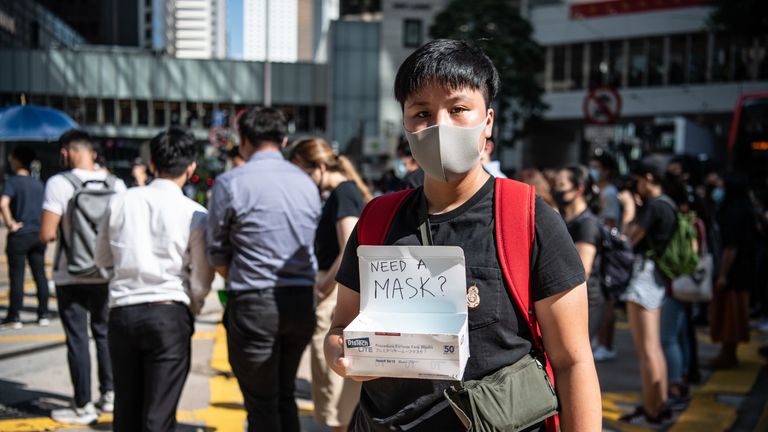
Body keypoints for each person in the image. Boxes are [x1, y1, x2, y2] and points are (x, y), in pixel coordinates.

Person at [324, 39, 601, 432]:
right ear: (404, 123)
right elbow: (340, 329)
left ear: (487, 121)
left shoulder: (529, 219)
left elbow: (573, 361)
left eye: (457, 109)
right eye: (422, 112)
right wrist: (340, 355)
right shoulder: (378, 219)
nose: (439, 126)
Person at [206, 107, 321, 432]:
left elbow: (216, 248)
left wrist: (233, 273)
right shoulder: (306, 183)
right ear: (284, 139)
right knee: (285, 395)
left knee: (261, 402)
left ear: (242, 139)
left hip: (254, 302)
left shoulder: (230, 183)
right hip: (300, 302)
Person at [94, 127, 213, 431]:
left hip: (122, 311)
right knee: (158, 416)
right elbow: (200, 278)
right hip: (169, 312)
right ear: (191, 168)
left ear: (151, 164)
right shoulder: (195, 213)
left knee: (126, 410)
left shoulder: (120, 201)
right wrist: (193, 306)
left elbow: (102, 259)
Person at [40, 129, 126, 424]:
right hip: (106, 274)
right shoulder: (118, 184)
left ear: (66, 152)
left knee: (78, 339)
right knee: (104, 334)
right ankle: (111, 395)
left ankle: (83, 404)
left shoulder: (58, 184)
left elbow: (47, 233)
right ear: (92, 152)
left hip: (70, 274)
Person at [288, 137, 371, 432]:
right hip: (334, 288)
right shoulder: (344, 191)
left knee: (333, 381)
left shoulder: (342, 193)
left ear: (320, 166)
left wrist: (323, 286)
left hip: (334, 291)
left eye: (303, 172)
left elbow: (349, 246)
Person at [619, 155, 676, 424]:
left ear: (649, 178)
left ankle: (652, 410)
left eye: (639, 180)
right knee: (655, 349)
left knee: (647, 350)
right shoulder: (669, 205)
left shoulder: (653, 207)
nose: (636, 185)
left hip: (644, 277)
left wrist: (629, 212)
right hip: (657, 277)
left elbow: (627, 240)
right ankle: (659, 404)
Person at [0, 145, 50, 329]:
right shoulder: (39, 183)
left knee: (17, 276)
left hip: (19, 235)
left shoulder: (12, 182)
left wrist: (10, 223)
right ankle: (43, 313)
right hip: (37, 234)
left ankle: (15, 316)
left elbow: (3, 203)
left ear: (17, 160)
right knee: (40, 275)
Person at [710, 175, 756, 369]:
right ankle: (729, 353)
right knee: (735, 315)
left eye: (722, 185)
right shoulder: (747, 209)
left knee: (730, 315)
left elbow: (731, 246)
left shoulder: (734, 211)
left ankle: (727, 354)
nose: (718, 189)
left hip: (733, 274)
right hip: (743, 271)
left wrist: (722, 274)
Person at [554, 166, 604, 342]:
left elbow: (583, 270)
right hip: (570, 299)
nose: (557, 189)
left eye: (561, 184)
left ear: (579, 189)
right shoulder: (564, 219)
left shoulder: (587, 224)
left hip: (585, 301)